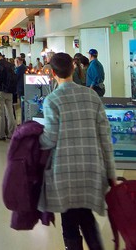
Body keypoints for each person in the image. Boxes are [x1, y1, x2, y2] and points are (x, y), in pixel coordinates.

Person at [39, 52, 116, 250]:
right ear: (74, 69)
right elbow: (105, 138)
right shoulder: (91, 96)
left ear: (53, 73)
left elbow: (50, 139)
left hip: (65, 171)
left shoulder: (52, 100)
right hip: (91, 168)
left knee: (70, 220)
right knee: (87, 217)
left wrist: (32, 138)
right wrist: (111, 173)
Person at [0, 50, 16, 141]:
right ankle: (12, 133)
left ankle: (1, 134)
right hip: (10, 91)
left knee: (0, 113)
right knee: (10, 113)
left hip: (0, 91)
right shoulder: (11, 65)